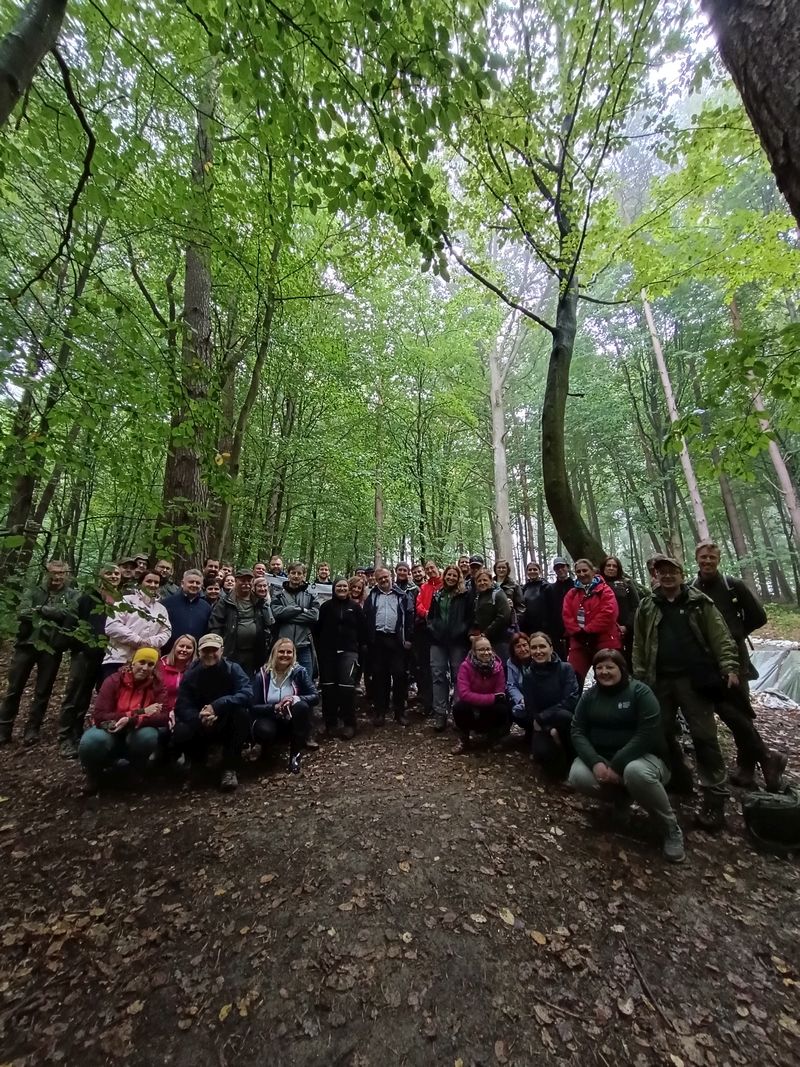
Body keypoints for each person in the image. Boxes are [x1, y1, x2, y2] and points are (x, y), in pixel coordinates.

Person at [633, 557, 741, 831]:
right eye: (662, 572)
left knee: (704, 737)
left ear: (682, 574)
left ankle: (714, 799)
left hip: (695, 681)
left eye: (673, 572)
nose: (668, 577)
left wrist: (729, 666)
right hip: (660, 682)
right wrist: (641, 677)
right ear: (656, 576)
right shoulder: (648, 605)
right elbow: (639, 644)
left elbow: (720, 636)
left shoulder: (699, 603)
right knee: (662, 733)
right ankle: (678, 779)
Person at [569, 649, 685, 864]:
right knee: (577, 775)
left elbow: (648, 733)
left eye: (610, 667)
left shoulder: (640, 693)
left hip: (645, 759)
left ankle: (670, 828)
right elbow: (577, 729)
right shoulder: (590, 696)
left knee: (635, 772)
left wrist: (619, 763)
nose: (604, 672)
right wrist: (595, 762)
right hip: (603, 757)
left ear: (622, 669)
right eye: (599, 668)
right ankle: (621, 799)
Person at [691, 540, 778, 788]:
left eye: (712, 558)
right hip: (708, 659)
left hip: (735, 657)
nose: (707, 561)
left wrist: (736, 632)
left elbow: (759, 616)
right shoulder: (693, 588)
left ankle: (749, 766)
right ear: (697, 559)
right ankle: (764, 758)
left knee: (738, 709)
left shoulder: (732, 585)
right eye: (703, 557)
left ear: (718, 559)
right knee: (726, 709)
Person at [0, 559, 78, 746]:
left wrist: (40, 610)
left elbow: (69, 613)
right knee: (14, 688)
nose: (57, 576)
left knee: (43, 691)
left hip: (52, 648)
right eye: (54, 572)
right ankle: (4, 728)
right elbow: (22, 612)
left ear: (67, 575)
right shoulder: (34, 591)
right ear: (47, 573)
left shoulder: (72, 594)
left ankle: (32, 729)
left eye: (61, 573)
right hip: (26, 644)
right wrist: (49, 611)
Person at [78, 647, 169, 793]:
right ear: (133, 663)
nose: (145, 668)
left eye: (150, 664)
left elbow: (163, 716)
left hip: (137, 730)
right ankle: (93, 774)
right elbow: (100, 715)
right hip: (111, 728)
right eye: (142, 662)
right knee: (92, 740)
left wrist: (132, 720)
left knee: (148, 736)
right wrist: (140, 712)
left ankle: (135, 770)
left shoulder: (157, 685)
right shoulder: (113, 681)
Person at [56, 563, 123, 759]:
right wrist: (79, 646)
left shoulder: (121, 600)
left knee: (99, 695)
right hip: (85, 654)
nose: (113, 576)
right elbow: (70, 623)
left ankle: (82, 733)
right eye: (109, 573)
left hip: (109, 657)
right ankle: (66, 736)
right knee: (76, 694)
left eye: (116, 573)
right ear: (101, 576)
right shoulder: (87, 597)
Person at [173, 633, 252, 791]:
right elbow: (182, 704)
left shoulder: (233, 669)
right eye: (205, 650)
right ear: (199, 652)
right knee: (181, 730)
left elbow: (247, 693)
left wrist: (218, 706)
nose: (209, 654)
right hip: (201, 721)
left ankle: (229, 768)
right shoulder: (191, 674)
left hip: (226, 719)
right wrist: (199, 716)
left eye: (213, 650)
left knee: (241, 715)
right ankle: (196, 767)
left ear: (222, 650)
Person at [250, 638, 319, 771]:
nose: (285, 655)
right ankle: (266, 752)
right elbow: (253, 706)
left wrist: (295, 699)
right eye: (281, 652)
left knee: (302, 706)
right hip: (269, 718)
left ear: (294, 654)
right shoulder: (262, 675)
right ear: (274, 653)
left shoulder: (299, 672)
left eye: (289, 652)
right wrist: (273, 707)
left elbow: (315, 696)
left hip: (291, 719)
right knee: (264, 730)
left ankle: (295, 756)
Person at [316, 578, 368, 739]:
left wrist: (361, 649)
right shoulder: (325, 607)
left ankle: (349, 724)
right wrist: (320, 650)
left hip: (349, 651)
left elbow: (363, 630)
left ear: (348, 588)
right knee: (328, 688)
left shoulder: (355, 607)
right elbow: (318, 629)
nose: (342, 589)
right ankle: (330, 723)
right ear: (334, 588)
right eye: (339, 586)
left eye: (344, 586)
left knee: (347, 688)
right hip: (328, 652)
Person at [102, 571, 171, 684]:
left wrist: (149, 642)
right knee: (111, 697)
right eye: (149, 581)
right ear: (140, 583)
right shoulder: (124, 601)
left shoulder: (161, 609)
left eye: (156, 582)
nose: (152, 585)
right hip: (119, 659)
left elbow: (166, 631)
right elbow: (112, 626)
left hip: (145, 664)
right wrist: (138, 641)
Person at [524, 632, 580, 770]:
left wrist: (543, 717)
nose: (538, 651)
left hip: (565, 721)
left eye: (542, 647)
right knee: (544, 756)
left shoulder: (565, 669)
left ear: (551, 648)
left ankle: (573, 762)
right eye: (534, 647)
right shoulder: (529, 674)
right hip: (544, 725)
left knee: (564, 716)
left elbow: (571, 700)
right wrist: (547, 728)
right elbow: (530, 707)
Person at [363, 567, 412, 726]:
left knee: (399, 675)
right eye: (380, 579)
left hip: (396, 640)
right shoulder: (373, 595)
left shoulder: (402, 595)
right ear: (376, 580)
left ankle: (399, 712)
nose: (383, 580)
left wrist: (408, 638)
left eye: (385, 577)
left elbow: (410, 617)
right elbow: (367, 616)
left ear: (391, 576)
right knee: (379, 676)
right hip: (378, 640)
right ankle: (380, 712)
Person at [427, 564, 473, 731]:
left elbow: (470, 617)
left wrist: (461, 631)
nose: (451, 578)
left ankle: (458, 714)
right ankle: (440, 713)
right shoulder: (438, 594)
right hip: (438, 641)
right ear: (444, 576)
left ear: (458, 577)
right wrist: (433, 629)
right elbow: (430, 617)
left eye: (454, 575)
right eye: (449, 575)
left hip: (458, 642)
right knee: (438, 675)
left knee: (458, 676)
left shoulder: (465, 595)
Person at [562, 559, 620, 688]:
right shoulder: (572, 594)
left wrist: (589, 630)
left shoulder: (605, 590)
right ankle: (574, 707)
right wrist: (577, 632)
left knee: (607, 676)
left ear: (593, 571)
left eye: (585, 570)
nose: (582, 574)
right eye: (578, 571)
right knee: (573, 679)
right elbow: (567, 615)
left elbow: (609, 613)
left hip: (604, 640)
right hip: (579, 642)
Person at [208, 568, 274, 676]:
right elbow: (215, 625)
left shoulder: (258, 601)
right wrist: (217, 646)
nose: (246, 584)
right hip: (231, 651)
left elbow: (268, 624)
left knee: (249, 683)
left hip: (254, 653)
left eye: (249, 581)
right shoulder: (225, 601)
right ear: (236, 581)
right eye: (243, 581)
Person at [452, 636, 509, 754]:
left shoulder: (498, 667)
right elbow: (464, 694)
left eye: (488, 649)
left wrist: (492, 699)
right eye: (481, 649)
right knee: (459, 708)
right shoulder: (465, 667)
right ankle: (464, 738)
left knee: (502, 708)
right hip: (471, 705)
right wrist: (491, 698)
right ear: (474, 651)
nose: (486, 652)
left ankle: (493, 736)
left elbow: (500, 692)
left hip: (489, 707)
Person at [271, 563, 321, 678]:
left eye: (299, 573)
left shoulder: (311, 595)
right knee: (282, 679)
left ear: (304, 576)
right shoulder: (278, 595)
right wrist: (301, 609)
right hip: (283, 647)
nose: (296, 576)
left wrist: (288, 616)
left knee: (306, 680)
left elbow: (314, 616)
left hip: (303, 645)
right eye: (293, 573)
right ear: (288, 575)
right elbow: (277, 613)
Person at [413, 561, 442, 717]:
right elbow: (419, 606)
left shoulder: (445, 584)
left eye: (432, 568)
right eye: (428, 569)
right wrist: (428, 614)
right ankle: (428, 702)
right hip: (425, 630)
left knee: (439, 669)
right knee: (425, 668)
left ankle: (441, 704)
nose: (430, 570)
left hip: (442, 631)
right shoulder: (424, 588)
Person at [601, 556, 640, 669]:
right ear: (603, 567)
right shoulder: (597, 585)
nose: (611, 568)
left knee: (626, 662)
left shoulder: (626, 583)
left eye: (614, 566)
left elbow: (636, 606)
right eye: (608, 565)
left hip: (625, 632)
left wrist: (627, 626)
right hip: (604, 633)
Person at [162, 570, 211, 653]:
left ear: (201, 586)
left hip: (195, 655)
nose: (194, 585)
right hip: (169, 653)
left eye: (197, 583)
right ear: (182, 583)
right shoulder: (167, 604)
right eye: (191, 582)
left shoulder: (206, 607)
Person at [469, 568, 512, 660]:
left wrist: (486, 633)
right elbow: (476, 619)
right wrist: (472, 634)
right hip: (485, 641)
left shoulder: (498, 594)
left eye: (485, 580)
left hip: (501, 639)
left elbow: (504, 616)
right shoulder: (478, 598)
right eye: (479, 581)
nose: (482, 583)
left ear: (491, 581)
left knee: (502, 665)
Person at [158, 634, 197, 713]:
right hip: (161, 713)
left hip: (184, 715)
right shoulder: (160, 666)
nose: (184, 649)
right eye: (181, 646)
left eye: (189, 647)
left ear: (193, 651)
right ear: (175, 647)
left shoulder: (196, 670)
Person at [543, 557, 572, 658]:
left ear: (567, 567)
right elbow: (547, 612)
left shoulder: (576, 587)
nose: (560, 570)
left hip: (574, 632)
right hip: (556, 633)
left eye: (562, 566)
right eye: (557, 568)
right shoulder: (549, 589)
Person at [506, 632, 531, 729]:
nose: (523, 649)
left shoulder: (537, 659)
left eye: (525, 645)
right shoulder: (511, 662)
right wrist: (521, 699)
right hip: (521, 698)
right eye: (518, 647)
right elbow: (511, 685)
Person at [520, 561, 548, 636]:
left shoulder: (546, 587)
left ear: (539, 571)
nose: (532, 571)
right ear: (527, 572)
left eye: (535, 569)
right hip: (528, 626)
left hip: (544, 626)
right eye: (530, 570)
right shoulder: (523, 588)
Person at [494, 559, 525, 624]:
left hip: (509, 622)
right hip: (492, 622)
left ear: (507, 569)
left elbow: (521, 607)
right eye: (499, 568)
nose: (501, 570)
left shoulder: (514, 585)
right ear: (495, 569)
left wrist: (515, 622)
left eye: (504, 568)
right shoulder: (490, 583)